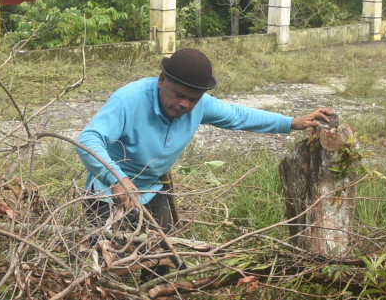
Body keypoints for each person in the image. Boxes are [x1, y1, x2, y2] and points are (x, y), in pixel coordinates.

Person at [75, 48, 334, 233]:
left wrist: (291, 122)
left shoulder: (198, 105)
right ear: (162, 80)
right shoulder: (129, 100)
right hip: (107, 195)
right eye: (178, 95)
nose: (185, 105)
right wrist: (117, 179)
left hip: (152, 190)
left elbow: (238, 116)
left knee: (161, 261)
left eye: (194, 99)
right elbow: (88, 139)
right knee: (108, 267)